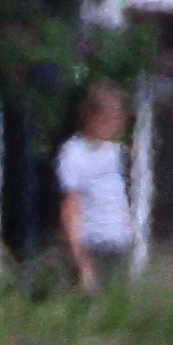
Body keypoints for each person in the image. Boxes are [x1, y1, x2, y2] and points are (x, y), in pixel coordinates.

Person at [55, 80, 133, 291]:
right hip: (91, 243)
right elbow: (70, 206)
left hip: (119, 241)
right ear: (90, 116)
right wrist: (79, 258)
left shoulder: (116, 152)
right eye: (108, 119)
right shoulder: (74, 153)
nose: (114, 125)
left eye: (117, 119)